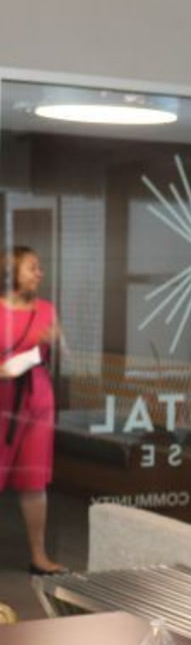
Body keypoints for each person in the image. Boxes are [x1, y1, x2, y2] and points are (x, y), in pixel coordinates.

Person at [0, 246, 65, 576]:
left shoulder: (47, 309)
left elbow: (61, 350)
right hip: (2, 401)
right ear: (11, 273)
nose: (39, 273)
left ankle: (39, 556)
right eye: (32, 268)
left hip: (37, 399)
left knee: (33, 481)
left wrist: (55, 338)